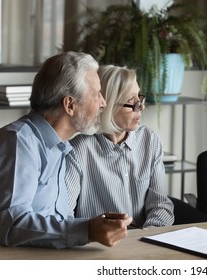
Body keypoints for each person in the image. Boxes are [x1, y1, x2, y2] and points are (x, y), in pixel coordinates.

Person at [0, 52, 132, 248]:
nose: (103, 102)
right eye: (96, 94)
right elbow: (13, 226)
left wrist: (97, 226)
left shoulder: (60, 147)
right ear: (70, 105)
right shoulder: (18, 142)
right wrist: (87, 229)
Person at [66, 65, 174, 228]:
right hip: (99, 246)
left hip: (145, 242)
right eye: (132, 102)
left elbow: (161, 207)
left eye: (139, 97)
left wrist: (145, 236)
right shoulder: (77, 151)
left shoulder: (149, 141)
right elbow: (64, 217)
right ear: (107, 105)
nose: (141, 106)